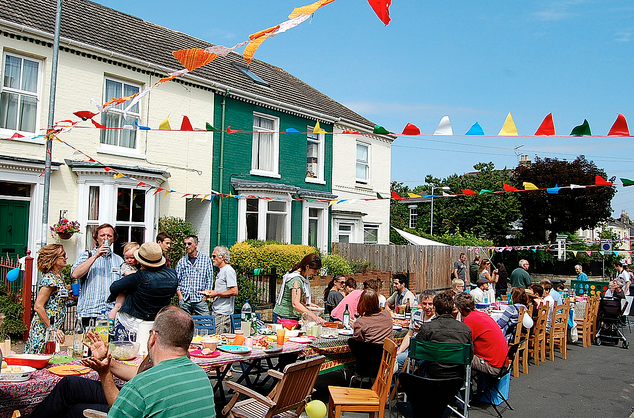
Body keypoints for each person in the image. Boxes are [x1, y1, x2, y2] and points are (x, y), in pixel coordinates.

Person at [29, 306, 210, 418]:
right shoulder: (201, 377)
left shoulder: (143, 385)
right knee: (71, 387)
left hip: (130, 400)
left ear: (153, 337)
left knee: (74, 411)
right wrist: (107, 361)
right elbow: (139, 377)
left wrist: (104, 373)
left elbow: (118, 408)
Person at [108, 242, 178, 340]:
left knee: (128, 353)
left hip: (133, 322)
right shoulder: (172, 275)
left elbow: (114, 287)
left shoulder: (140, 276)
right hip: (157, 321)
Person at [71, 224, 123, 327]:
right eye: (102, 235)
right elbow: (75, 274)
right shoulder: (87, 255)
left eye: (109, 236)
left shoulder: (118, 260)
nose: (105, 238)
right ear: (97, 238)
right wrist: (96, 255)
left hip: (109, 314)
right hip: (90, 312)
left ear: (113, 239)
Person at [414, 292, 473, 379]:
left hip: (432, 375)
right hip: (456, 377)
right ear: (452, 308)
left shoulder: (427, 328)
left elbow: (416, 352)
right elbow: (470, 355)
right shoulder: (465, 329)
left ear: (435, 309)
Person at [24, 244, 68, 354]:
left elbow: (55, 301)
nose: (66, 258)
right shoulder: (50, 279)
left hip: (52, 329)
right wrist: (52, 328)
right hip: (44, 330)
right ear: (53, 259)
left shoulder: (59, 277)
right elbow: (38, 306)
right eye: (63, 255)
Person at [455, 293, 508, 375]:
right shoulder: (482, 315)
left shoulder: (469, 320)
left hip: (493, 366)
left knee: (458, 355)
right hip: (502, 362)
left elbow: (463, 344)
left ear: (460, 310)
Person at [273, 253, 324, 324]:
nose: (315, 273)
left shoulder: (303, 277)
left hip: (293, 316)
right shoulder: (296, 280)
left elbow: (300, 300)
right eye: (314, 270)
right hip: (284, 317)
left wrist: (309, 305)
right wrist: (315, 317)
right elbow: (296, 304)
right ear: (307, 267)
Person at [200, 246, 238, 334]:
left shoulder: (228, 271)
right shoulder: (222, 271)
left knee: (219, 339)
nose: (212, 258)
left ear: (222, 257)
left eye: (214, 256)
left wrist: (216, 294)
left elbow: (234, 291)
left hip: (223, 313)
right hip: (217, 310)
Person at [396, 289, 436, 371]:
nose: (427, 307)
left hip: (425, 351)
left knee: (398, 361)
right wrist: (399, 351)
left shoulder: (436, 318)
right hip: (411, 347)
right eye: (424, 303)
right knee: (394, 359)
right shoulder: (416, 314)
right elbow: (409, 335)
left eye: (430, 304)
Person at [175, 235, 213, 315]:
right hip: (185, 299)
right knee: (184, 324)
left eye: (189, 244)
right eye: (185, 244)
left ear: (196, 244)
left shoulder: (206, 260)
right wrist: (180, 296)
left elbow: (209, 279)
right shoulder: (182, 261)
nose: (187, 246)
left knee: (206, 323)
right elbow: (177, 280)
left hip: (199, 298)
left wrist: (205, 296)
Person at [109, 242, 140, 322]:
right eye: (126, 258)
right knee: (118, 305)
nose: (129, 260)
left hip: (131, 290)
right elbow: (127, 273)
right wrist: (139, 273)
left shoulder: (139, 265)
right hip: (123, 289)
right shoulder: (125, 265)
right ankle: (111, 317)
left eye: (132, 258)